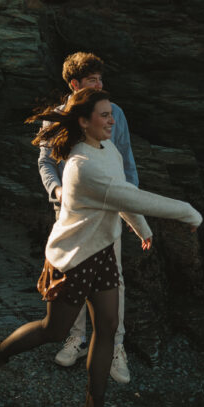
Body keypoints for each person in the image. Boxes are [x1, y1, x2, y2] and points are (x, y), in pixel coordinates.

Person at [0, 87, 202, 407]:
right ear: (83, 121)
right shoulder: (81, 167)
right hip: (74, 259)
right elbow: (130, 196)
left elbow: (122, 193)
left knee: (107, 327)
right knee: (53, 329)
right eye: (105, 115)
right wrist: (188, 211)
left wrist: (141, 229)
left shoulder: (107, 150)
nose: (112, 120)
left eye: (111, 114)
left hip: (103, 252)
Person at [38, 52, 137, 383]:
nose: (100, 85)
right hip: (69, 215)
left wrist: (131, 206)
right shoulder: (57, 116)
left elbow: (125, 161)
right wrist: (57, 192)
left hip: (108, 211)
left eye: (101, 79)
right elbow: (46, 163)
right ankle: (76, 339)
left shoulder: (114, 113)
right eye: (92, 80)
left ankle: (116, 348)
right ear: (74, 84)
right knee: (72, 279)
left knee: (115, 280)